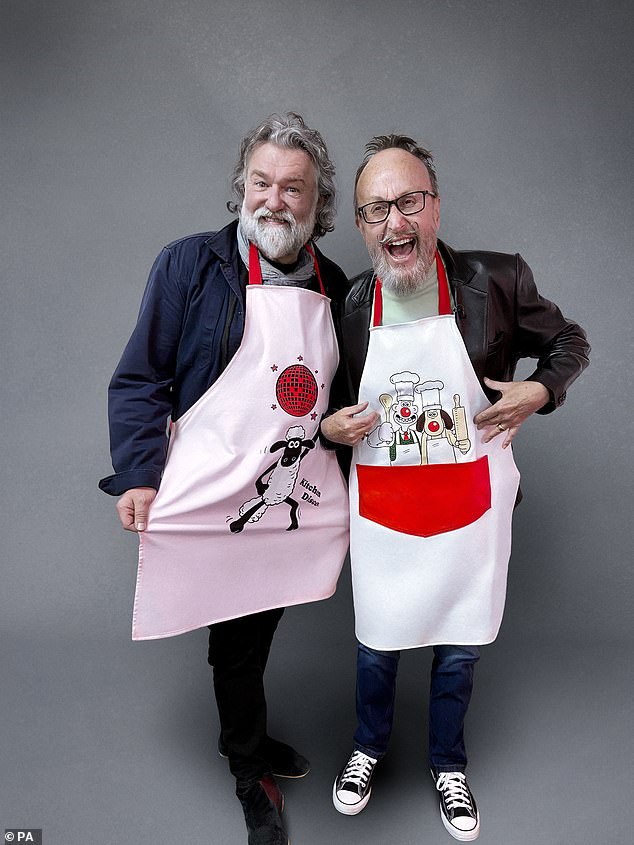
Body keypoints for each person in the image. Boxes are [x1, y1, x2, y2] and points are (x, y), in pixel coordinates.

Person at [321, 135, 589, 841]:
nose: (395, 223)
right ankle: (367, 748)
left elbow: (569, 341)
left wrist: (538, 389)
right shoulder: (349, 304)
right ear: (360, 223)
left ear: (435, 206)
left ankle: (448, 764)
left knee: (461, 642)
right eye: (377, 209)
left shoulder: (494, 279)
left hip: (473, 501)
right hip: (385, 504)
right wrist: (329, 426)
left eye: (409, 201)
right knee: (377, 642)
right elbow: (325, 403)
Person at [99, 113, 350, 845]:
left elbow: (333, 391)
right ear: (243, 187)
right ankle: (249, 767)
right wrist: (139, 473)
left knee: (261, 613)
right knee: (237, 634)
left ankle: (245, 731)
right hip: (213, 489)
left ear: (317, 203)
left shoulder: (334, 283)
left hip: (286, 490)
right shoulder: (190, 264)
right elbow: (141, 376)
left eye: (292, 188)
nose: (273, 199)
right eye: (261, 183)